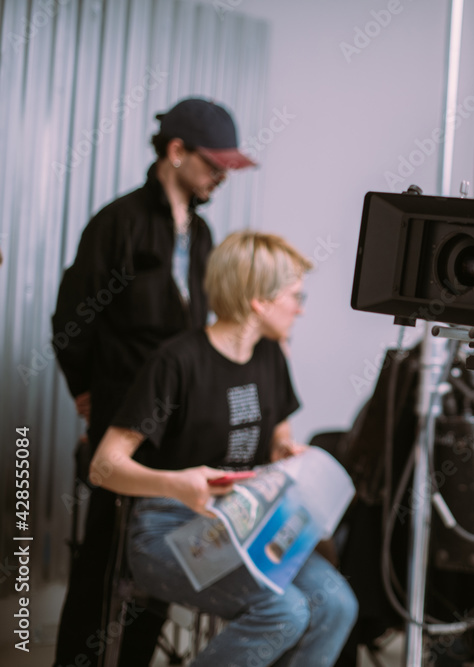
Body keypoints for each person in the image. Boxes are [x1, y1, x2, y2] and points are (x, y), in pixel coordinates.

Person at [89, 231, 358, 666]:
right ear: (259, 301)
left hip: (247, 524)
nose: (301, 307)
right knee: (282, 611)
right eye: (294, 296)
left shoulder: (270, 355)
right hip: (168, 529)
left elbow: (277, 439)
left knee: (337, 605)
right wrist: (177, 484)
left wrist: (287, 452)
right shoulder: (175, 361)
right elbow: (103, 466)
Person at [51, 97, 256, 666]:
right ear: (176, 151)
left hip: (177, 432)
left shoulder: (206, 233)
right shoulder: (117, 224)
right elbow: (71, 322)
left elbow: (205, 331)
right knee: (102, 568)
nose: (220, 176)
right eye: (213, 163)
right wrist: (87, 394)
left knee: (163, 568)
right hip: (123, 426)